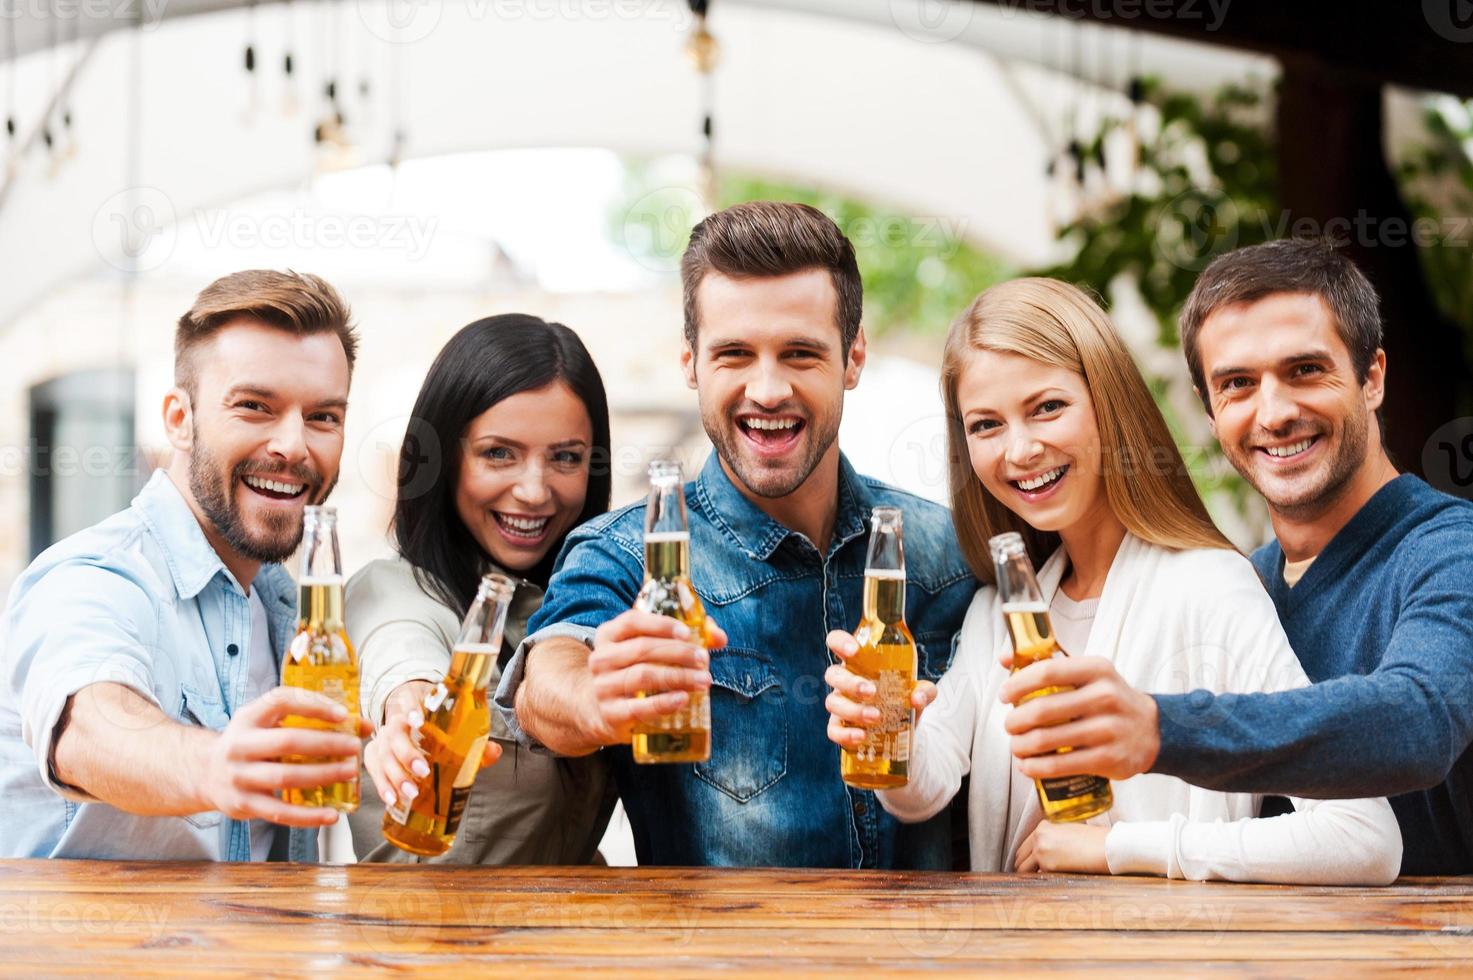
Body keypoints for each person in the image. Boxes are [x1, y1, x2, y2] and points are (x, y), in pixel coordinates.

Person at [822, 277, 1401, 883]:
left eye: (1047, 407)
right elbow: (927, 788)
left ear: (1108, 402)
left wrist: (1119, 848)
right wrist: (891, 736)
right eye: (987, 425)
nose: (1020, 450)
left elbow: (1363, 836)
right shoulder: (998, 610)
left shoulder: (1209, 586)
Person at [495, 201, 977, 868]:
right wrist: (595, 698)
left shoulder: (951, 554)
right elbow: (546, 682)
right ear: (691, 363)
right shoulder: (624, 554)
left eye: (800, 353)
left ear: (853, 356)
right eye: (734, 354)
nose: (768, 387)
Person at [999, 240, 1473, 876]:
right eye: (1238, 384)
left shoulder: (1451, 551)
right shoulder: (1238, 582)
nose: (1273, 413)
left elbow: (1419, 721)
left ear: (1372, 377)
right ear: (1211, 410)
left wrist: (1158, 729)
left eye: (1305, 370)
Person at [0, 270, 368, 860]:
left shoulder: (287, 606)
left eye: (323, 417)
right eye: (255, 406)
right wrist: (213, 764)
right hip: (93, 952)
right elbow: (89, 724)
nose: (295, 446)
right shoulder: (93, 576)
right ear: (179, 419)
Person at [350, 314, 616, 864]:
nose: (534, 490)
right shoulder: (390, 592)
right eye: (499, 453)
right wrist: (410, 713)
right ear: (445, 460)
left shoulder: (588, 604)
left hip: (576, 943)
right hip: (426, 943)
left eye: (565, 457)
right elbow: (401, 657)